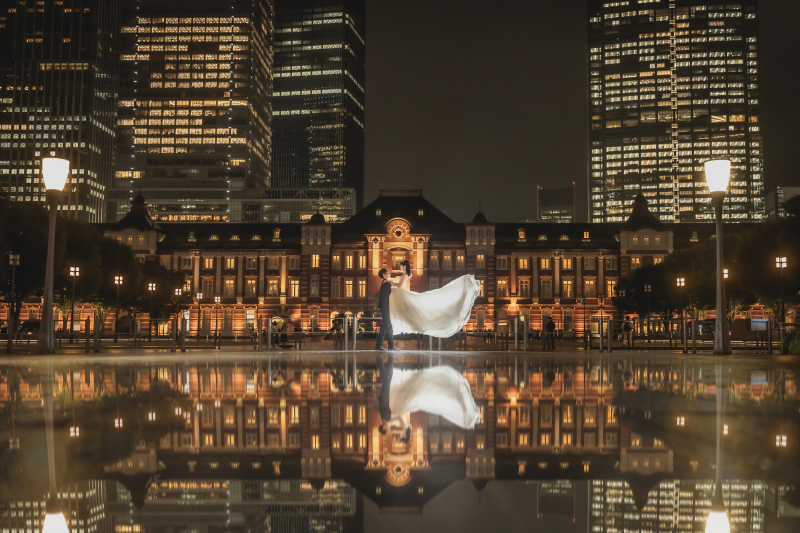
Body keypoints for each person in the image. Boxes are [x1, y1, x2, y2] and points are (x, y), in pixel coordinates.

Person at [389, 260, 481, 337]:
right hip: (402, 292)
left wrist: (391, 283)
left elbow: (400, 286)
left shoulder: (404, 275)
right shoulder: (405, 275)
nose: (400, 268)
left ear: (405, 266)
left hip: (400, 292)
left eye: (401, 266)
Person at [388, 365, 482, 430]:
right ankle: (457, 389)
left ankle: (456, 388)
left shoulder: (396, 408)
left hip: (418, 393)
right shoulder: (395, 407)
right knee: (433, 387)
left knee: (436, 389)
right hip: (416, 391)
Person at [375, 268, 398, 351]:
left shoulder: (384, 283)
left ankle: (391, 346)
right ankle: (379, 345)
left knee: (389, 326)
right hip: (385, 307)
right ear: (384, 275)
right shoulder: (386, 283)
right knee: (385, 325)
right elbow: (388, 296)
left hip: (384, 307)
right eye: (388, 273)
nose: (389, 274)